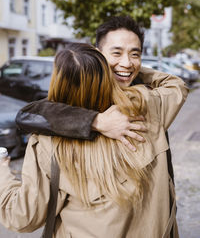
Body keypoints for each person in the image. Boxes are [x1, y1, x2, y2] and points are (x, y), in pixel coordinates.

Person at [0, 42, 188, 237]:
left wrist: (2, 173)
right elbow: (176, 85)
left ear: (58, 81)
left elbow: (22, 217)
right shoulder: (145, 107)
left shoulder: (48, 143)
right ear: (106, 74)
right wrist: (129, 66)